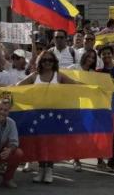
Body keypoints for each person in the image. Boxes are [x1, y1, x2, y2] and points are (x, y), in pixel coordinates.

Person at [18, 49, 80, 184]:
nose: (47, 63)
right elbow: (17, 87)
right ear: (40, 62)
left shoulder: (59, 76)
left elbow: (76, 85)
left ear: (54, 62)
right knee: (40, 142)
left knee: (51, 142)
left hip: (54, 115)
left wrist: (94, 88)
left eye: (50, 60)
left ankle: (49, 170)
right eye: (44, 60)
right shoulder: (35, 76)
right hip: (38, 115)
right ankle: (41, 169)